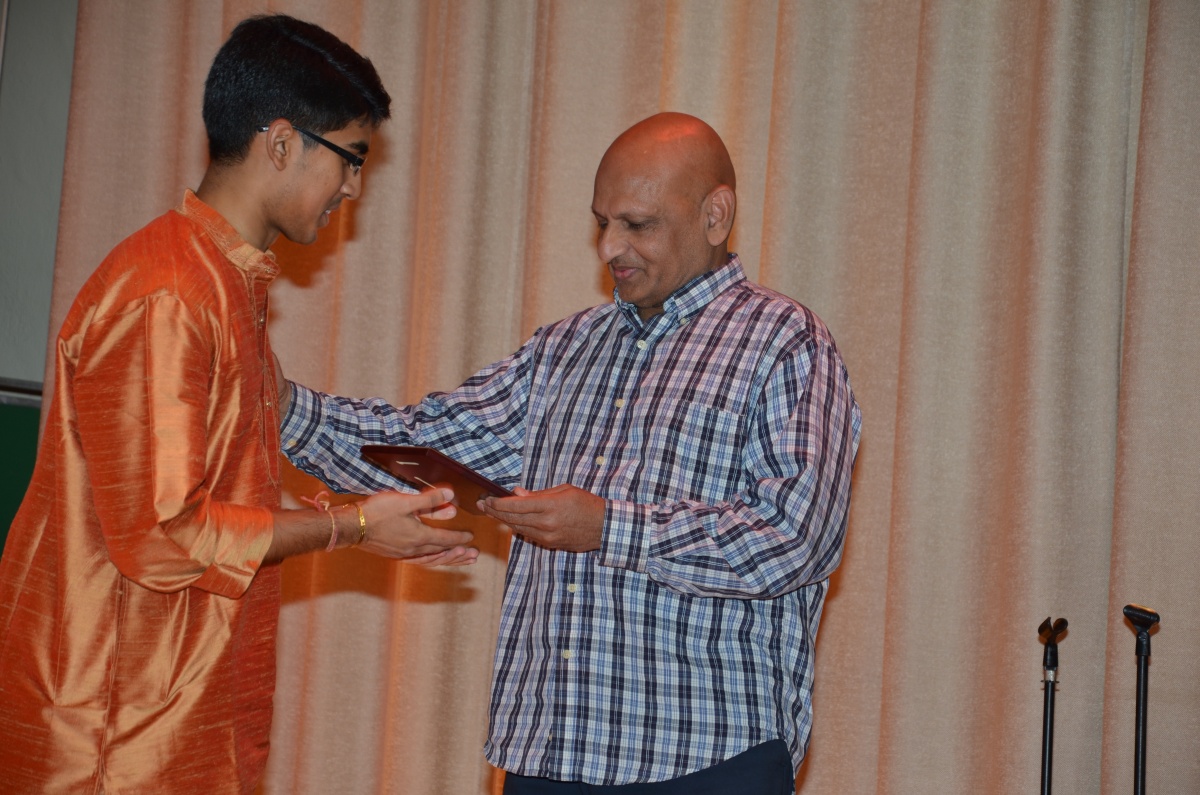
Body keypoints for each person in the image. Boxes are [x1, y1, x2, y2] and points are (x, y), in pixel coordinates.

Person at [280, 112, 861, 792]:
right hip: (548, 757)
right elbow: (422, 441)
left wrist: (610, 528)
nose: (609, 247)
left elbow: (798, 536)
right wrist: (280, 406)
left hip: (706, 758)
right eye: (602, 223)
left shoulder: (785, 342)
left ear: (715, 215)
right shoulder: (563, 348)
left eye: (637, 224)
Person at [0, 14, 475, 794]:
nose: (353, 188)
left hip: (180, 710)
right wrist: (351, 524)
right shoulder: (170, 293)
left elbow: (220, 503)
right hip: (112, 730)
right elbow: (164, 535)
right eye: (351, 159)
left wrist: (364, 519)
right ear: (282, 143)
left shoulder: (224, 282)